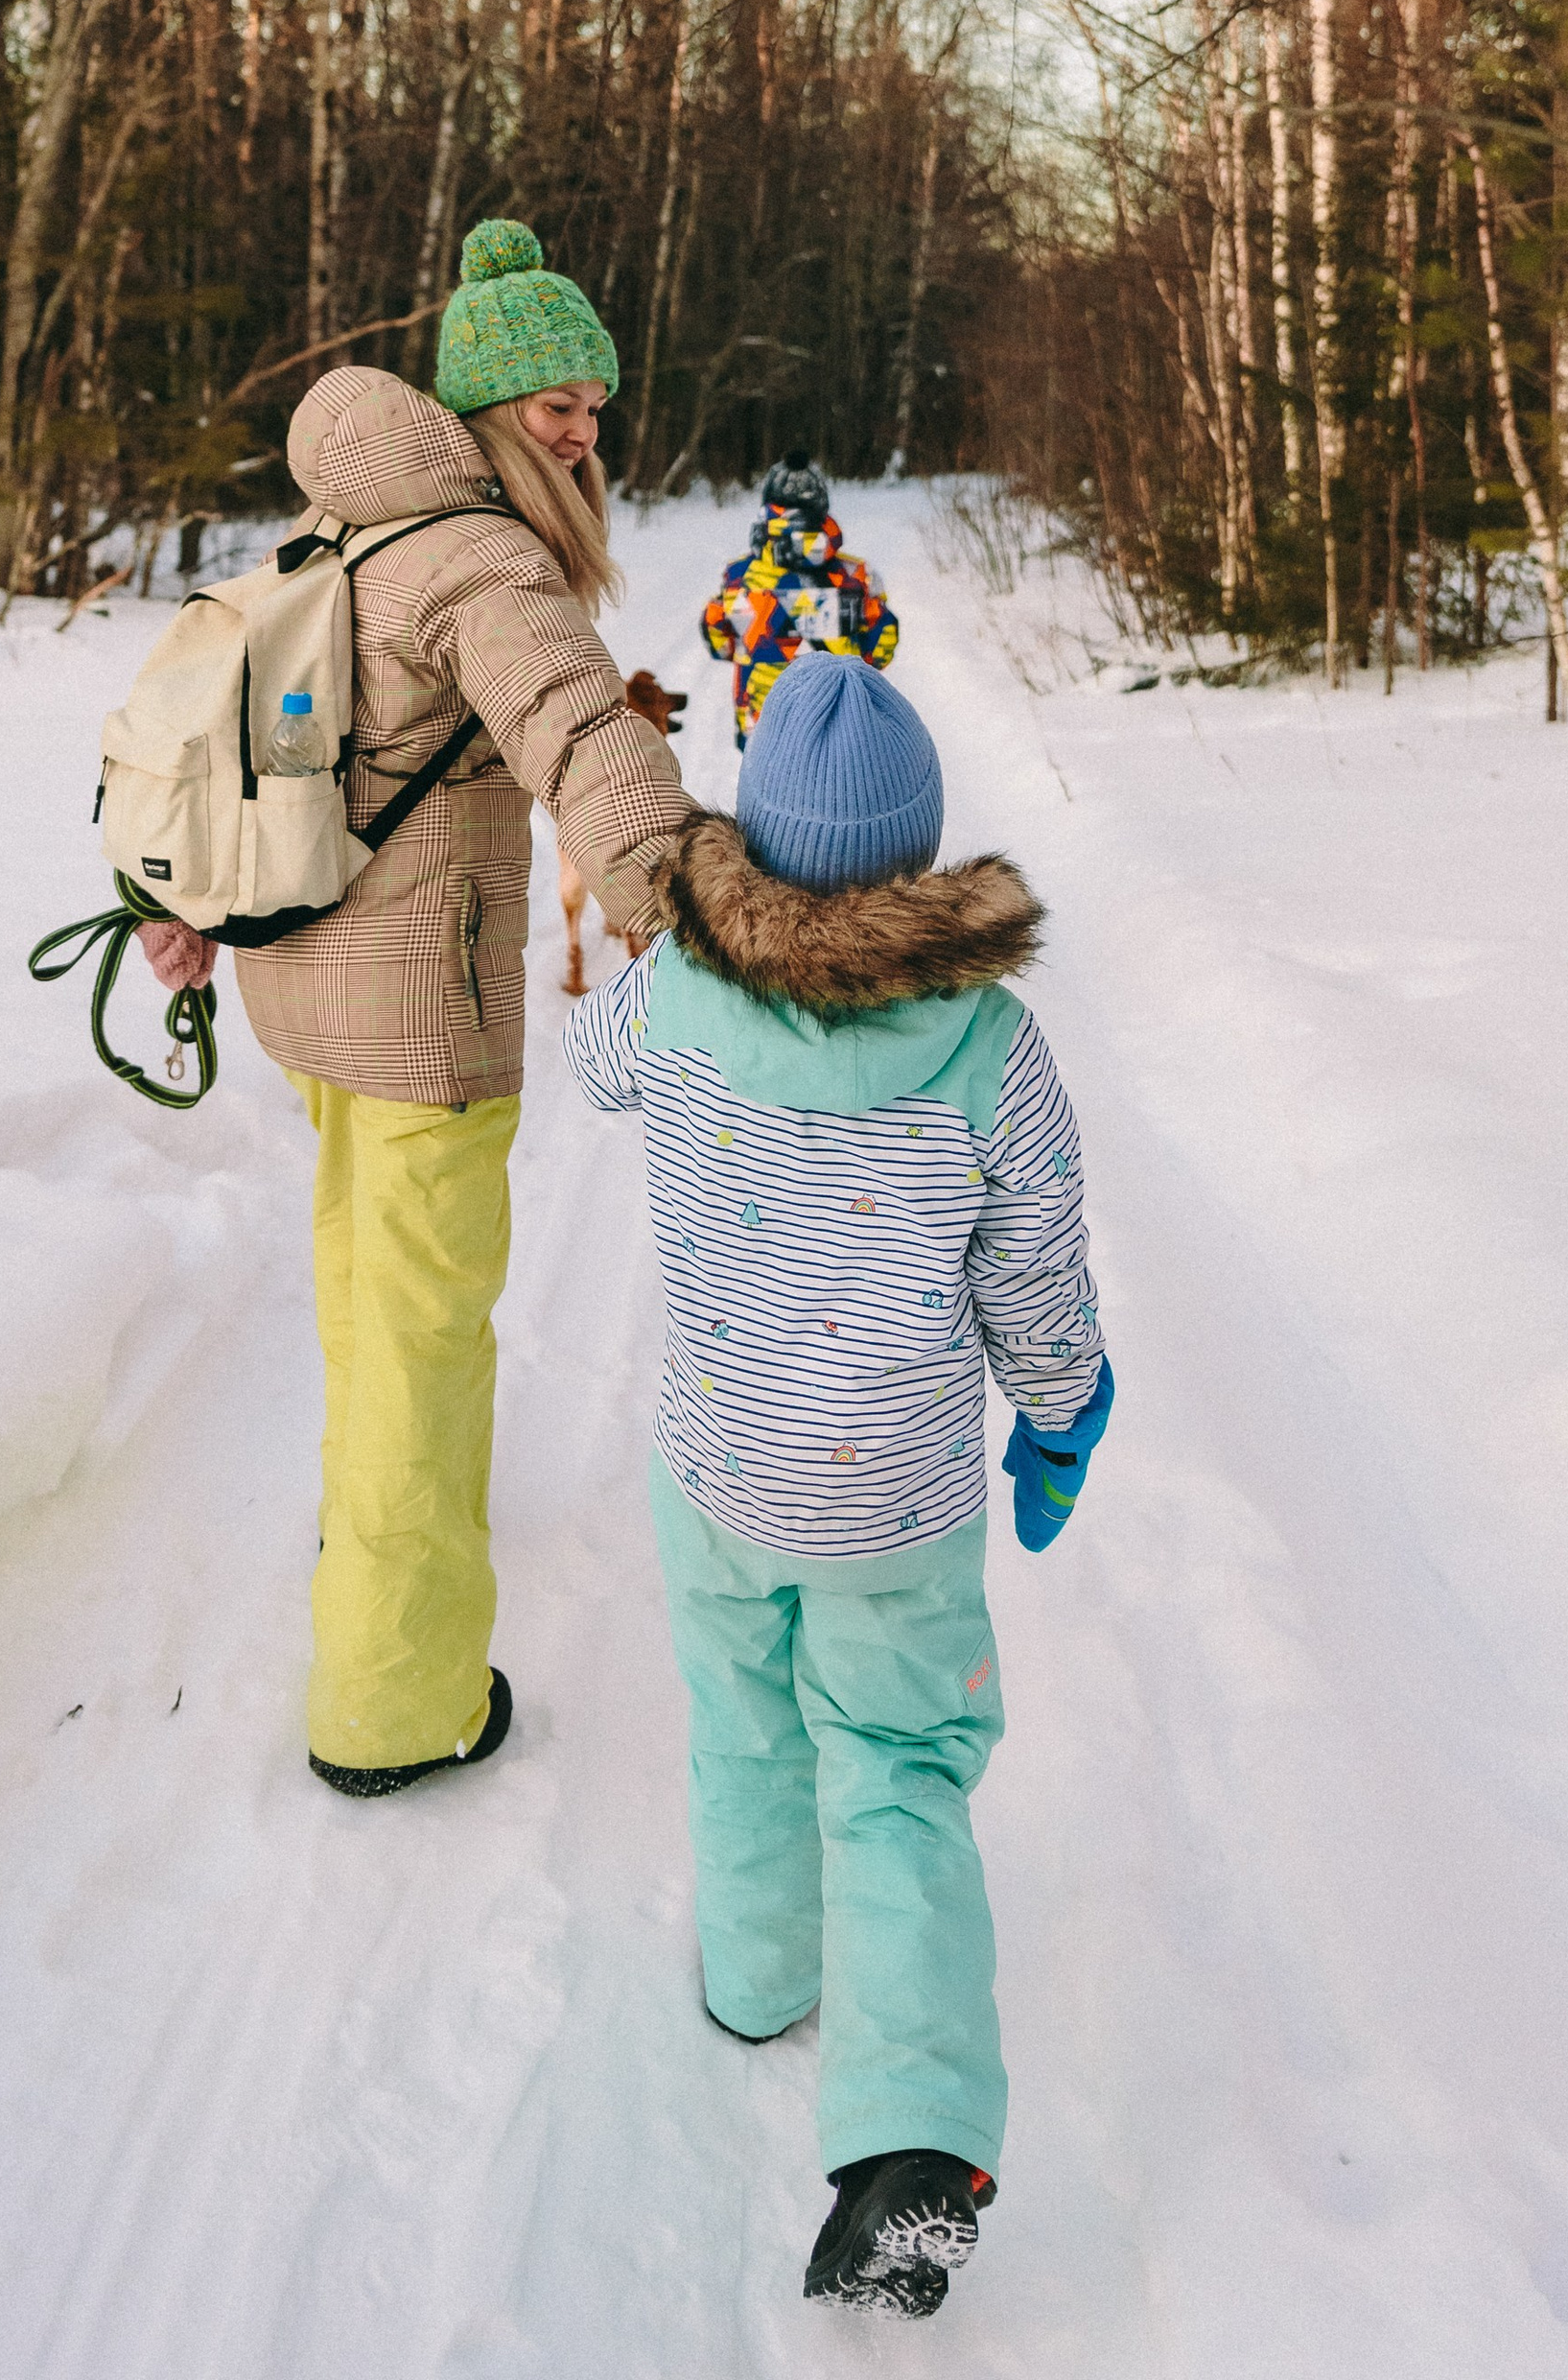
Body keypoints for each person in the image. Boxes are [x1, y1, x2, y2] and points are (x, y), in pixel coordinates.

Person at [562, 651, 1112, 2320]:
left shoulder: (675, 993)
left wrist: (661, 945)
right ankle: (916, 2134)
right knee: (896, 1765)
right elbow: (1038, 1270)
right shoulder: (989, 1048)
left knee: (742, 1721)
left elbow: (592, 1066)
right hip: (897, 1507)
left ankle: (756, 1980)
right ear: (923, 857)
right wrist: (1064, 1408)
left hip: (720, 1468)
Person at [137, 220, 690, 1797]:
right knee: (424, 1340)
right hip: (417, 1023)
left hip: (306, 991)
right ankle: (395, 1698)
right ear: (481, 401)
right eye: (551, 399)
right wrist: (689, 900)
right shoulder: (483, 559)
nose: (581, 426)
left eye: (593, 397)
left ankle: (365, 1530)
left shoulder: (343, 533)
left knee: (362, 1295)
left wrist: (191, 900)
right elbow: (578, 732)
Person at [702, 457, 899, 745]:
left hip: (764, 730)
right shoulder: (858, 575)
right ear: (822, 506)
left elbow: (718, 638)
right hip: (843, 726)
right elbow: (882, 645)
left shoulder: (737, 576)